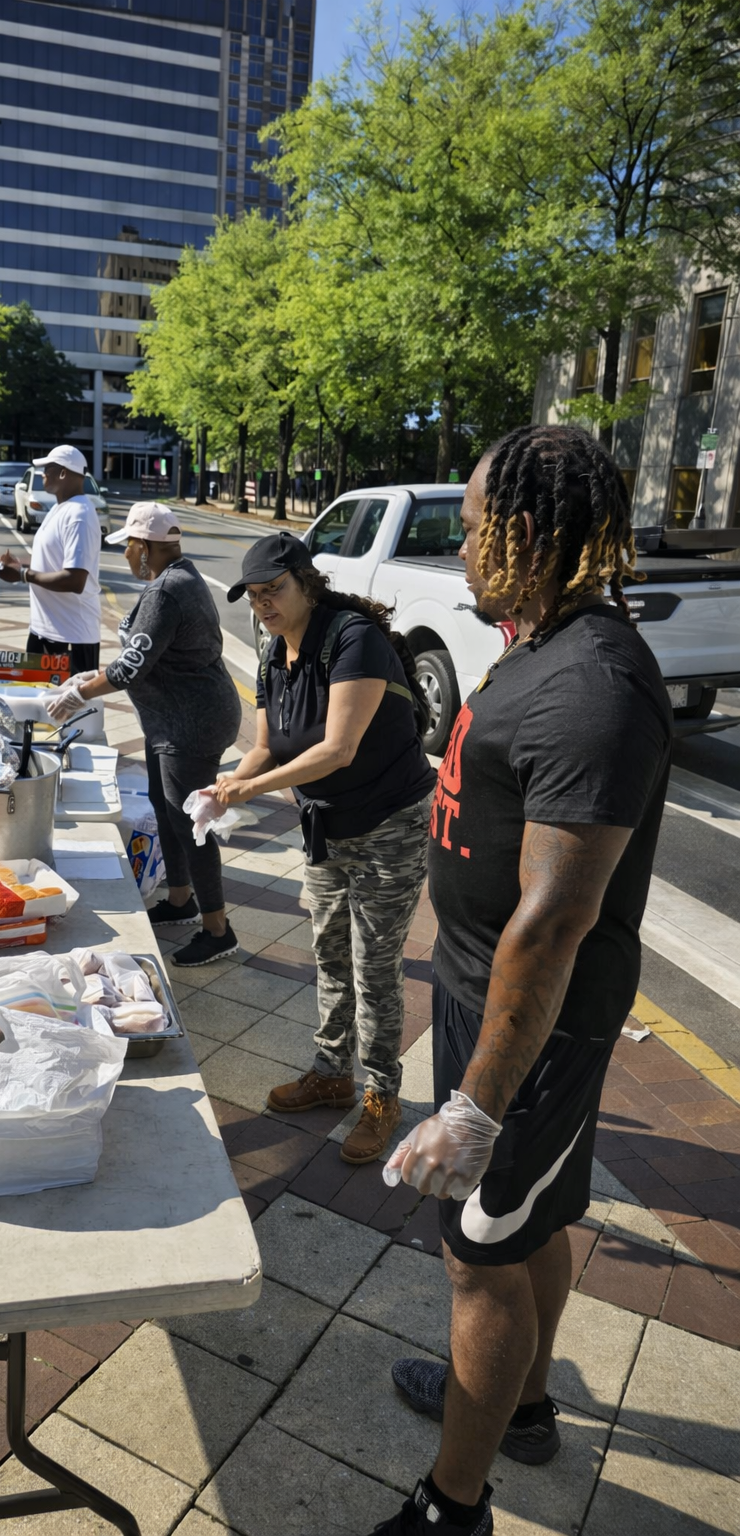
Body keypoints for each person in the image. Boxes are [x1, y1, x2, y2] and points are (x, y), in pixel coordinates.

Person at [376, 425, 672, 1536]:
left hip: (531, 1030)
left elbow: (552, 927)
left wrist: (475, 1105)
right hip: (478, 997)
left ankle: (454, 1506)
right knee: (530, 1225)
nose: (461, 549)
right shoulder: (536, 637)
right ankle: (527, 1408)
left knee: (478, 1259)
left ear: (532, 532)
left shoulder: (594, 685)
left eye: (474, 526)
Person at [214, 532, 436, 1165]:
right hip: (326, 826)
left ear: (305, 582)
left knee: (374, 965)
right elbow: (269, 744)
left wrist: (254, 786)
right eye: (253, 596)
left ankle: (383, 1095)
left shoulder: (350, 638)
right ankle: (332, 1072)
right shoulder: (270, 651)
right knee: (329, 949)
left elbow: (337, 748)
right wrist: (231, 781)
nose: (262, 605)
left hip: (387, 823)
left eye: (273, 591)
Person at [45, 502, 243, 967]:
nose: (127, 556)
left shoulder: (168, 591)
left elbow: (132, 666)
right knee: (166, 807)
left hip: (190, 721)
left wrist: (81, 693)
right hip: (172, 717)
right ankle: (180, 900)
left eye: (129, 547)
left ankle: (218, 929)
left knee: (189, 819)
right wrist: (91, 676)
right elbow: (145, 652)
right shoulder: (177, 578)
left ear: (147, 546)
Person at [0, 443, 101, 674]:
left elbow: (75, 580)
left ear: (63, 473)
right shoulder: (60, 508)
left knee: (68, 709)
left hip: (72, 638)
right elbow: (50, 564)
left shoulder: (79, 514)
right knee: (38, 706)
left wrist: (22, 575)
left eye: (48, 468)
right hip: (44, 631)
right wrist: (16, 567)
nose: (43, 473)